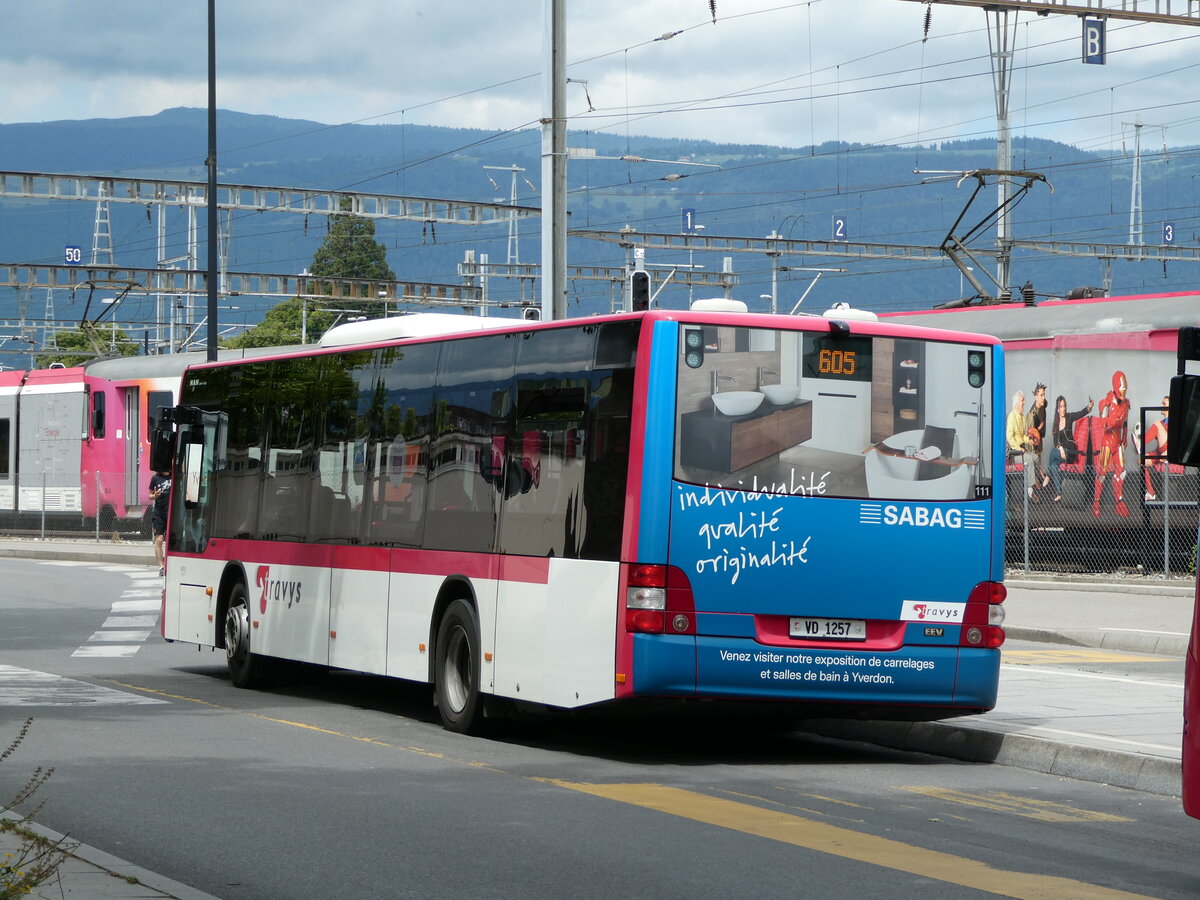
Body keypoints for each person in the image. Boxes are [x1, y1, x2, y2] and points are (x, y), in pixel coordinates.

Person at [1094, 370, 1131, 518]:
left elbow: (1126, 422)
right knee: (1102, 473)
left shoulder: (1126, 403)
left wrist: (1125, 437)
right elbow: (1101, 423)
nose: (1123, 389)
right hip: (1108, 442)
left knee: (1121, 471)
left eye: (1125, 386)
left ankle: (1119, 502)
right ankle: (1096, 503)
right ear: (1116, 386)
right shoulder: (1108, 401)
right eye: (1121, 386)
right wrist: (1111, 421)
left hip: (1118, 441)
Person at [1047, 393, 1093, 502]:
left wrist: (1088, 407)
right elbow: (1055, 442)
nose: (1063, 409)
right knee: (1054, 465)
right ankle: (1059, 493)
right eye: (1060, 407)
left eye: (1064, 406)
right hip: (1062, 453)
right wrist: (1060, 448)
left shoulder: (1069, 417)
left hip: (1070, 452)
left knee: (1053, 452)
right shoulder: (1056, 424)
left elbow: (1081, 413)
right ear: (1057, 409)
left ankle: (1048, 475)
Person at [1005, 389, 1037, 498]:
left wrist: (1028, 440)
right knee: (1028, 459)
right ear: (1017, 403)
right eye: (1022, 400)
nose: (1024, 402)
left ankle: (1032, 483)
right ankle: (1030, 491)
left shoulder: (1023, 418)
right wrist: (1018, 448)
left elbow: (1022, 436)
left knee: (1035, 458)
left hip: (1021, 450)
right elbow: (1009, 437)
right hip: (1014, 453)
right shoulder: (1011, 417)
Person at [1142, 395, 1170, 500]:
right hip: (1160, 453)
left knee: (1157, 424)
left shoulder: (1176, 421)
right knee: (1141, 460)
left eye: (1164, 404)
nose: (1161, 405)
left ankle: (1140, 442)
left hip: (1170, 453)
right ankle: (1151, 492)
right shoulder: (1162, 423)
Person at [1026, 383, 1051, 495]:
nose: (1043, 397)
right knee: (1035, 460)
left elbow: (1045, 403)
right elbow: (1030, 431)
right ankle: (1035, 484)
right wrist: (1038, 428)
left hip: (1040, 438)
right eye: (1041, 395)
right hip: (1033, 441)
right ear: (1036, 396)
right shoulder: (1033, 413)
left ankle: (1040, 477)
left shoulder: (1043, 405)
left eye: (1044, 395)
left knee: (1039, 458)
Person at [150, 469, 171, 575]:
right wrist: (155, 496)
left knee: (171, 540)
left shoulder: (174, 476)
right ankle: (161, 566)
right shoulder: (155, 478)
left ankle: (169, 564)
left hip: (172, 512)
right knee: (159, 539)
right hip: (159, 513)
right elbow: (150, 495)